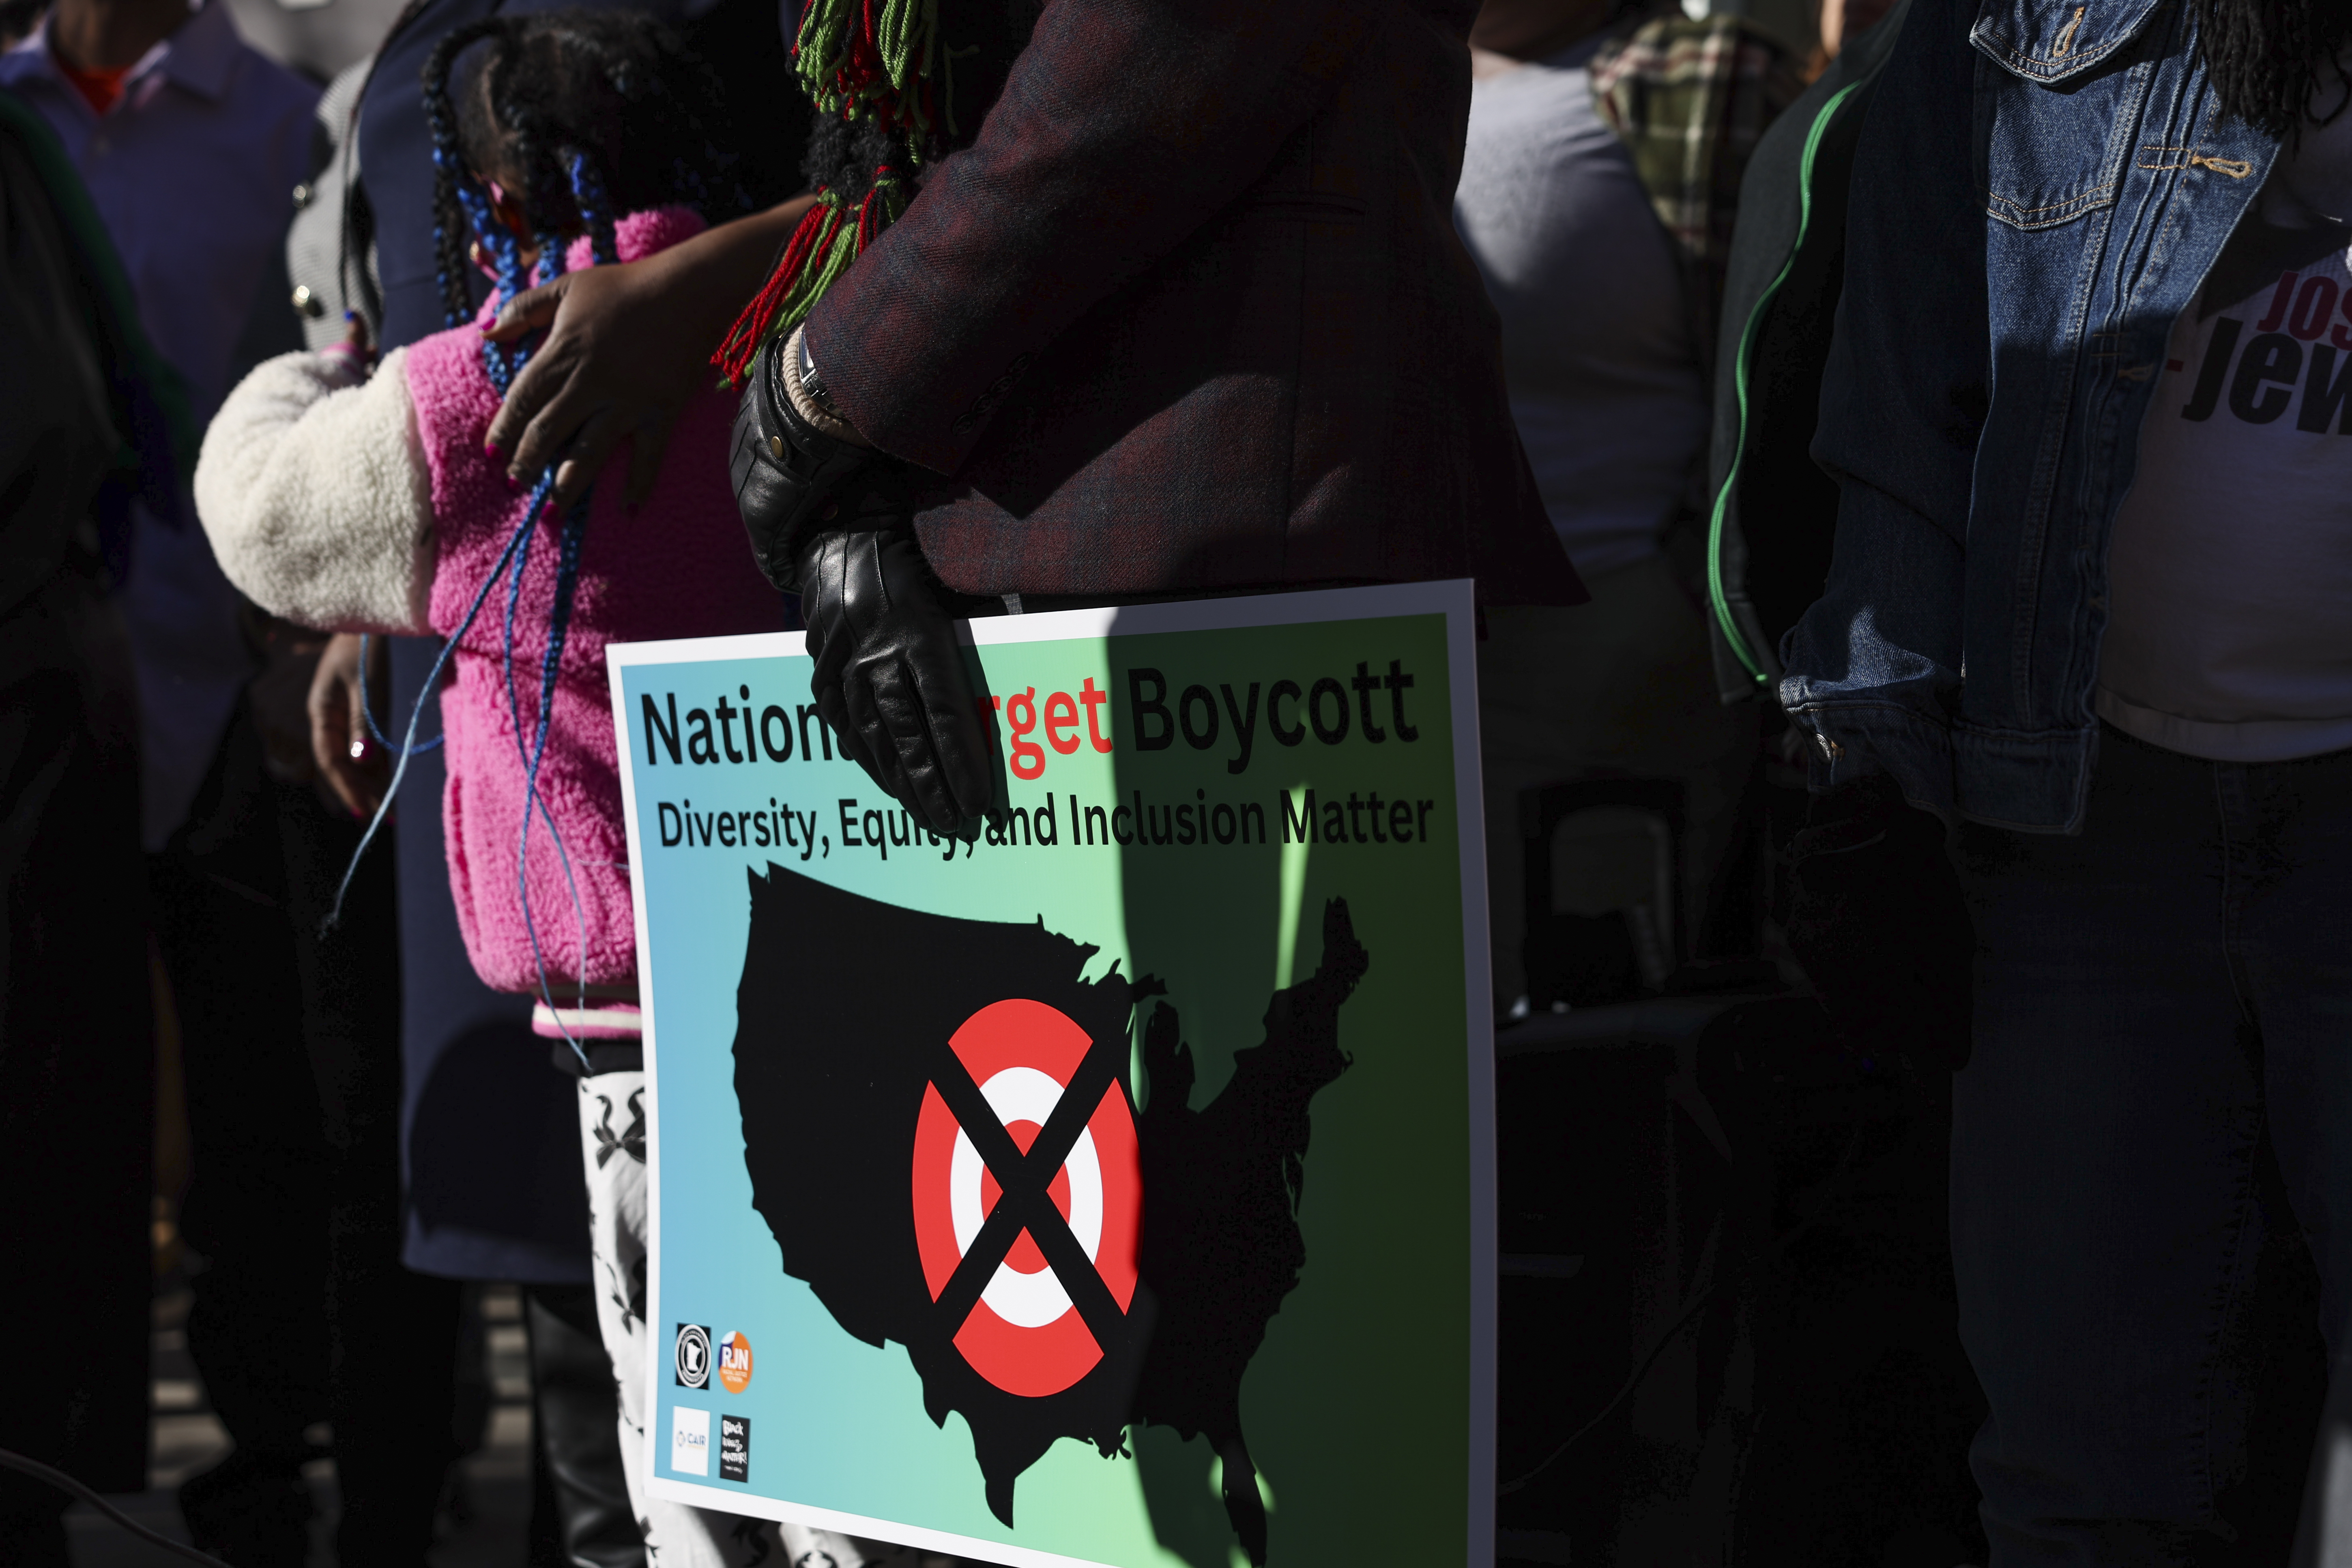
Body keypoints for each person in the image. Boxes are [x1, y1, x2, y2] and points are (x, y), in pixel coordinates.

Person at [195, 18, 935, 1568]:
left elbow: (264, 513)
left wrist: (322, 370)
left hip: (640, 1038)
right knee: (875, 1436)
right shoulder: (825, 322)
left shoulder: (499, 391)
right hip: (867, 978)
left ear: (499, 201)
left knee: (697, 1460)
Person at [468, 0, 1584, 849]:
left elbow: (1149, 51)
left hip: (1229, 544)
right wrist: (856, 477)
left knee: (1280, 1124)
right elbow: (894, 147)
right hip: (1000, 554)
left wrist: (828, 386)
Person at [1780, 0, 2352, 1559]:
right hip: (2082, 821)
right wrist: (1874, 762)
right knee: (2082, 1467)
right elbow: (1902, 404)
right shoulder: (2014, 19)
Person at [1450, 0, 1800, 1016]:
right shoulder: (1370, 70)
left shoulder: (1698, 77)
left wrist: (1677, 594)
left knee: (1593, 1050)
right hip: (1408, 663)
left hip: (1613, 654)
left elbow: (1789, 359)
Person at [0, 80, 176, 1568]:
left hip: (36, 696)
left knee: (46, 1121)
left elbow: (121, 416)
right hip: (52, 668)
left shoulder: (13, 156)